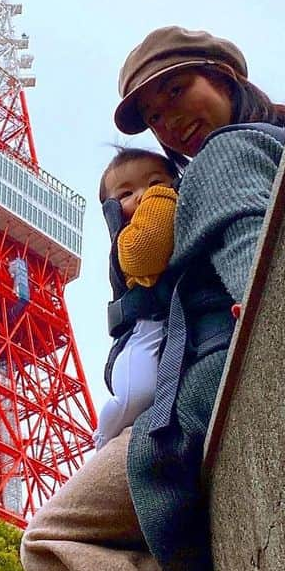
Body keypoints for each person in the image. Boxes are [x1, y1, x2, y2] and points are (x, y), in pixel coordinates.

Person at [17, 26, 285, 571]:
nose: (168, 118)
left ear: (224, 76)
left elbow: (253, 242)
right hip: (192, 392)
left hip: (201, 394)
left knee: (49, 538)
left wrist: (262, 314)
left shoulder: (224, 159)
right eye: (152, 110)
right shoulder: (246, 151)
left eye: (178, 91)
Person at [94, 147, 180, 450]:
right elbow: (145, 252)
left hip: (174, 331)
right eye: (127, 193)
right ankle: (104, 438)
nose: (143, 195)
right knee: (138, 393)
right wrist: (160, 195)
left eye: (156, 183)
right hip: (142, 333)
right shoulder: (127, 241)